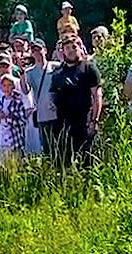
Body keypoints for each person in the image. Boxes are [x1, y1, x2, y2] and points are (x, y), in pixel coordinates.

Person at [48, 36, 102, 168]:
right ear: (63, 51)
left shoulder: (89, 68)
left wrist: (94, 121)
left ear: (80, 48)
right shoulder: (58, 73)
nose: (71, 50)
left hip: (84, 121)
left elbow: (97, 95)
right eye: (67, 48)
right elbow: (52, 94)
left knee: (87, 162)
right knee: (64, 160)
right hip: (63, 123)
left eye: (74, 47)